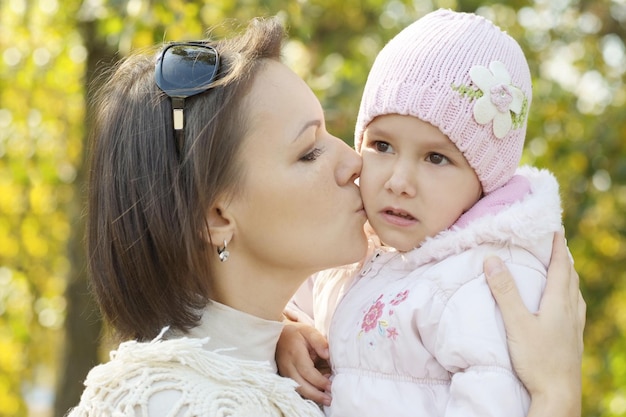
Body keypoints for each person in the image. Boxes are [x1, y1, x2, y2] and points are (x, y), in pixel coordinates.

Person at [65, 16, 584, 417]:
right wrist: (557, 395)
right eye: (309, 151)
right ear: (218, 214)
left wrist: (278, 337)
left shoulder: (288, 372)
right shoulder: (168, 402)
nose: (356, 162)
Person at [278, 9, 584, 417]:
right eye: (382, 146)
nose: (399, 180)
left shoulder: (487, 277)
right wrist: (287, 332)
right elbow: (278, 302)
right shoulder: (358, 247)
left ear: (484, 180)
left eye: (436, 158)